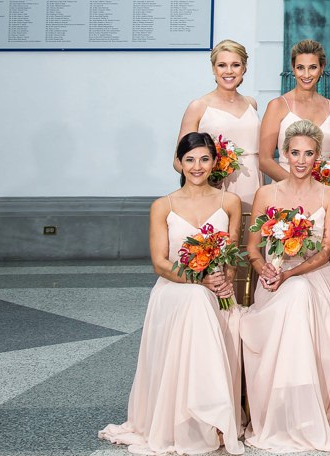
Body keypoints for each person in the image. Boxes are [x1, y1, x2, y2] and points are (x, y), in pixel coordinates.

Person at [100, 133, 244, 455]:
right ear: (179, 162)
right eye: (190, 159)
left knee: (203, 302)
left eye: (204, 159)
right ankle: (200, 417)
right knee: (195, 300)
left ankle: (211, 419)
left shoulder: (229, 202)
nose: (197, 166)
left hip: (215, 290)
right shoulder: (162, 206)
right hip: (174, 290)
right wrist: (199, 280)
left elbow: (232, 256)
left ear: (214, 162)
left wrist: (224, 279)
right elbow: (160, 264)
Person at [240, 120, 330, 452]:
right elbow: (252, 248)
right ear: (283, 153)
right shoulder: (265, 193)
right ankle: (287, 409)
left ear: (318, 157)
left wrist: (291, 275)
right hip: (272, 278)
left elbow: (327, 250)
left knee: (298, 294)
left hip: (314, 276)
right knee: (292, 297)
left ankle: (297, 409)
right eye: (295, 152)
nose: (301, 160)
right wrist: (265, 269)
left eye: (309, 154)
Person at [178, 39, 260, 209]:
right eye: (222, 65)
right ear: (213, 69)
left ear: (244, 68)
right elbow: (178, 160)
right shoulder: (198, 106)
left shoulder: (252, 104)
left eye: (235, 65)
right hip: (215, 188)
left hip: (254, 185)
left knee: (251, 234)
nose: (229, 71)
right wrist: (206, 178)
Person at [259, 40, 330, 181]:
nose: (306, 74)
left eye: (312, 67)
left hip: (326, 194)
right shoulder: (277, 106)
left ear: (322, 68)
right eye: (300, 67)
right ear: (293, 68)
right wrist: (299, 187)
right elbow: (265, 161)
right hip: (285, 191)